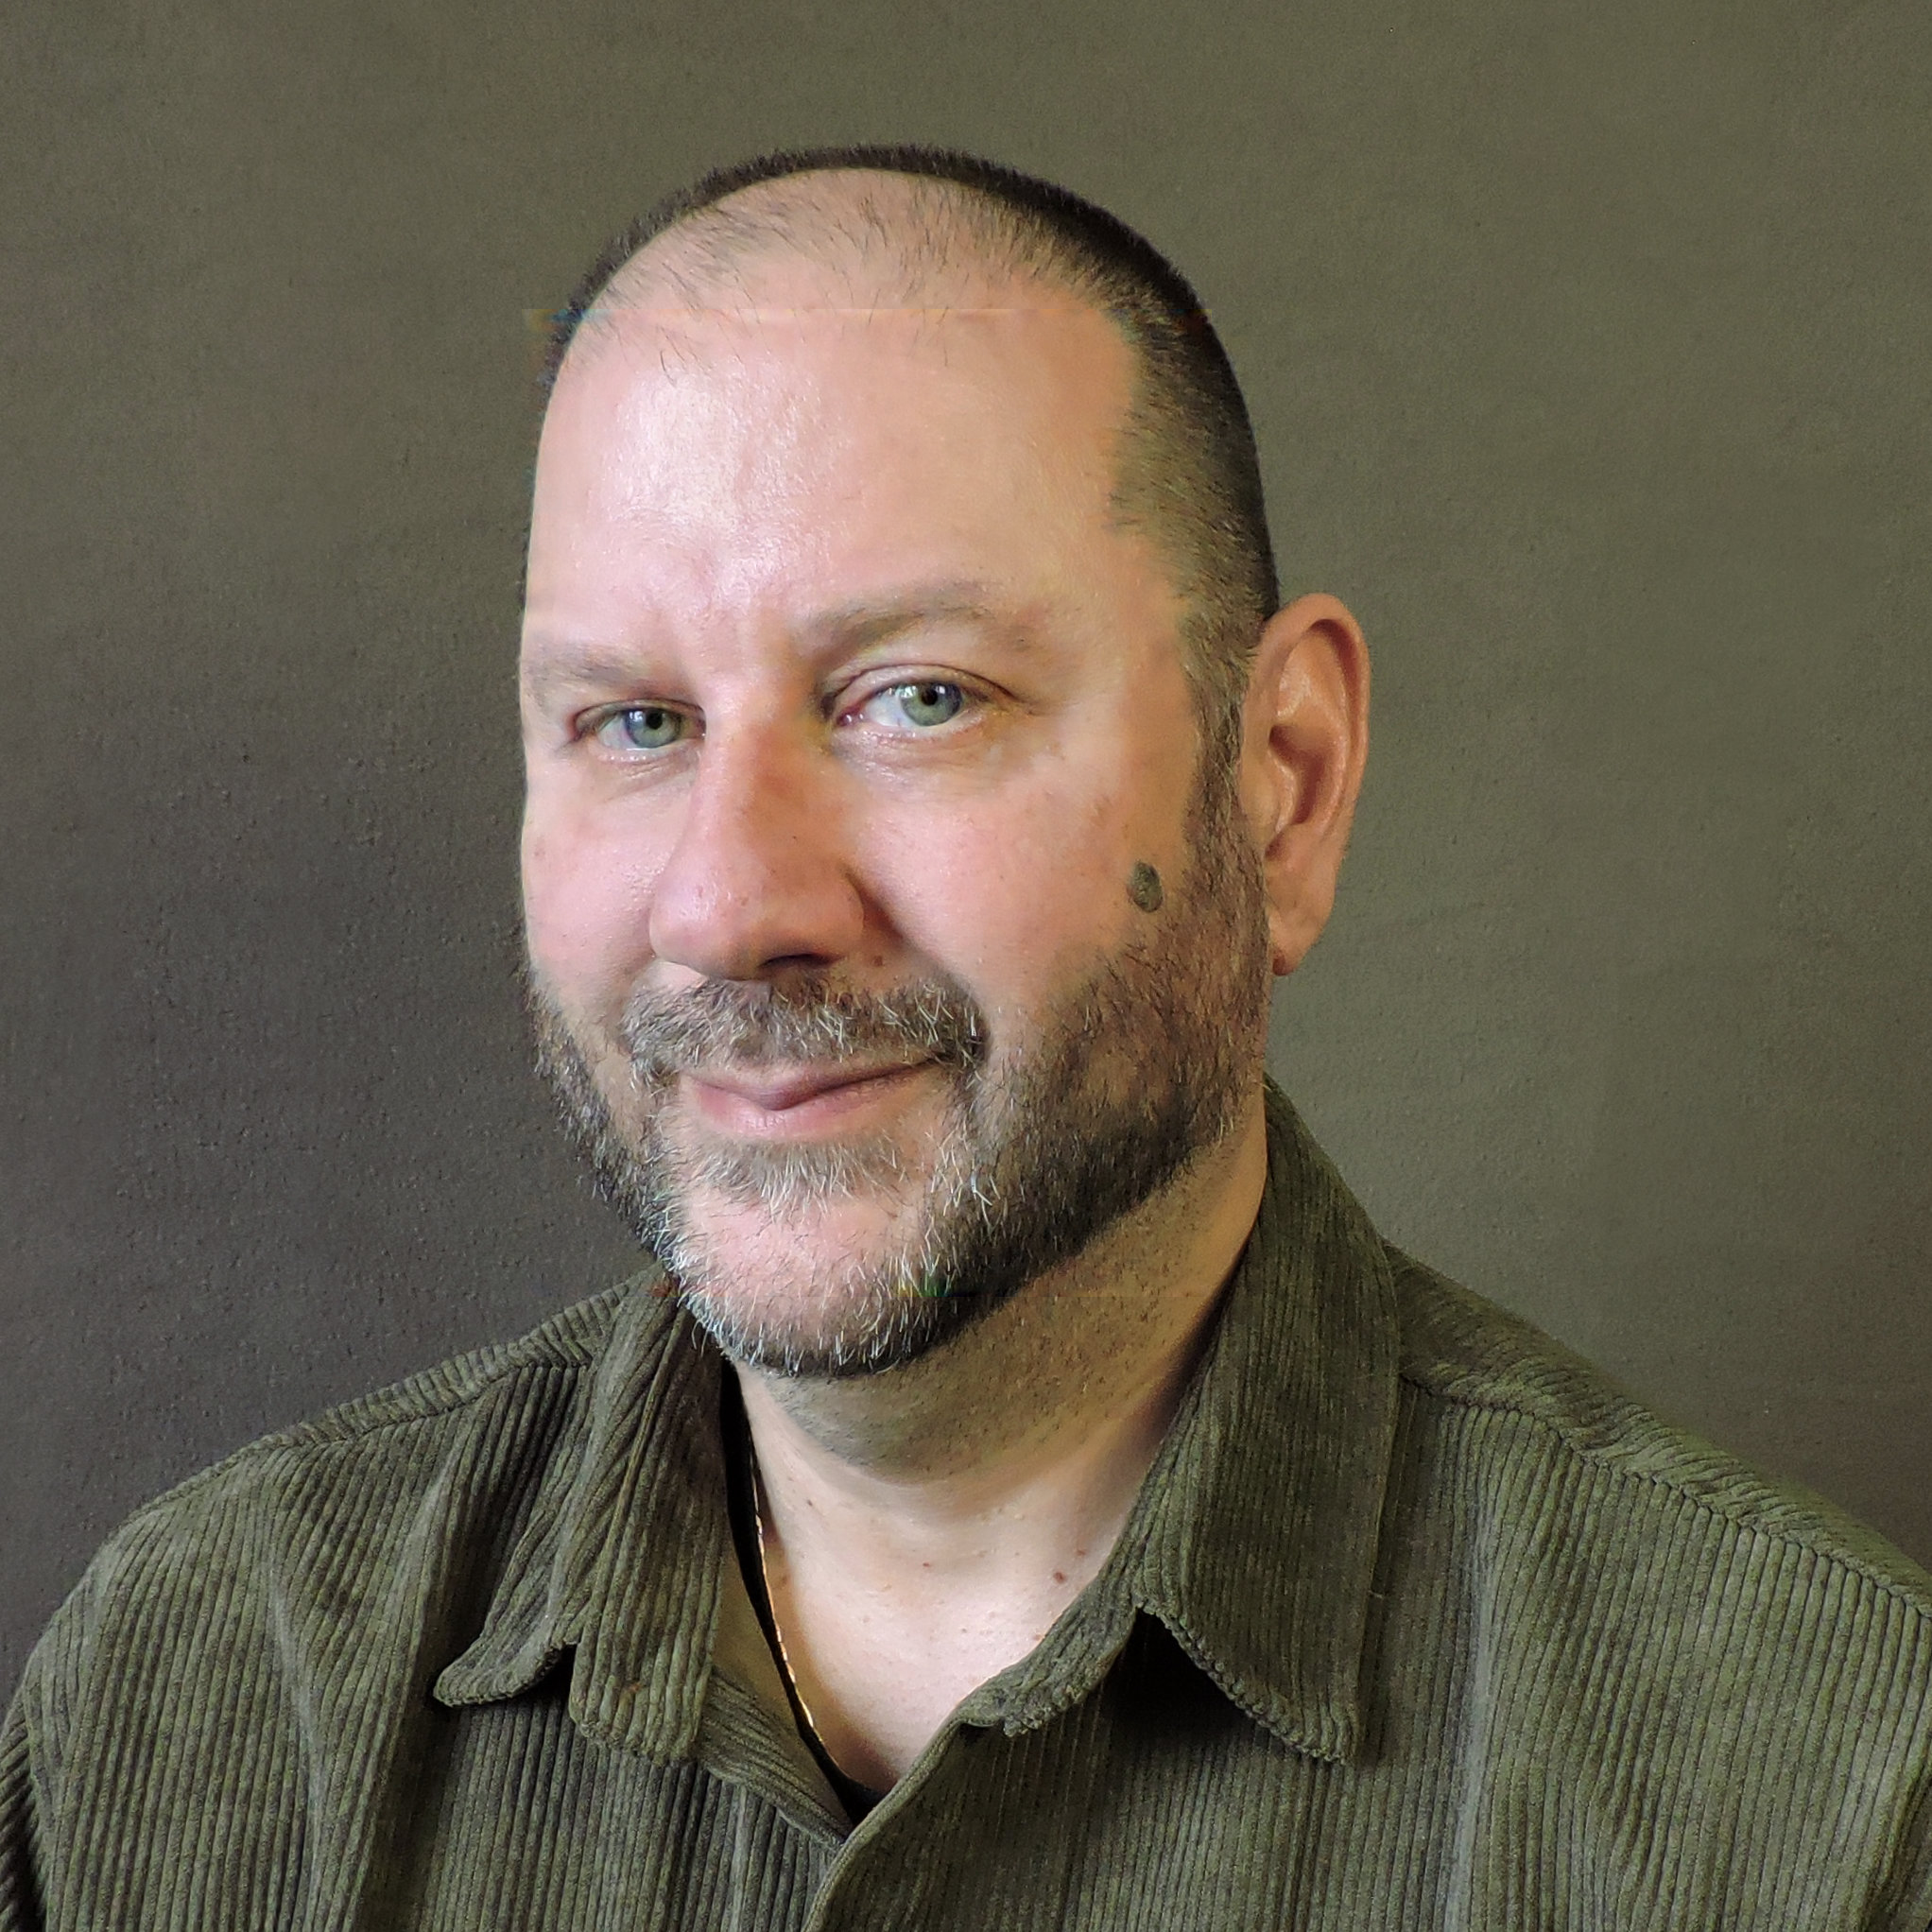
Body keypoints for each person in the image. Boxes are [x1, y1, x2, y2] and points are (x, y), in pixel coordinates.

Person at [4, 146, 1930, 1932]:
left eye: (916, 695)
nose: (728, 902)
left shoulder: (1819, 1792)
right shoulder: (195, 1705)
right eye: (634, 723)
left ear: (1280, 784)